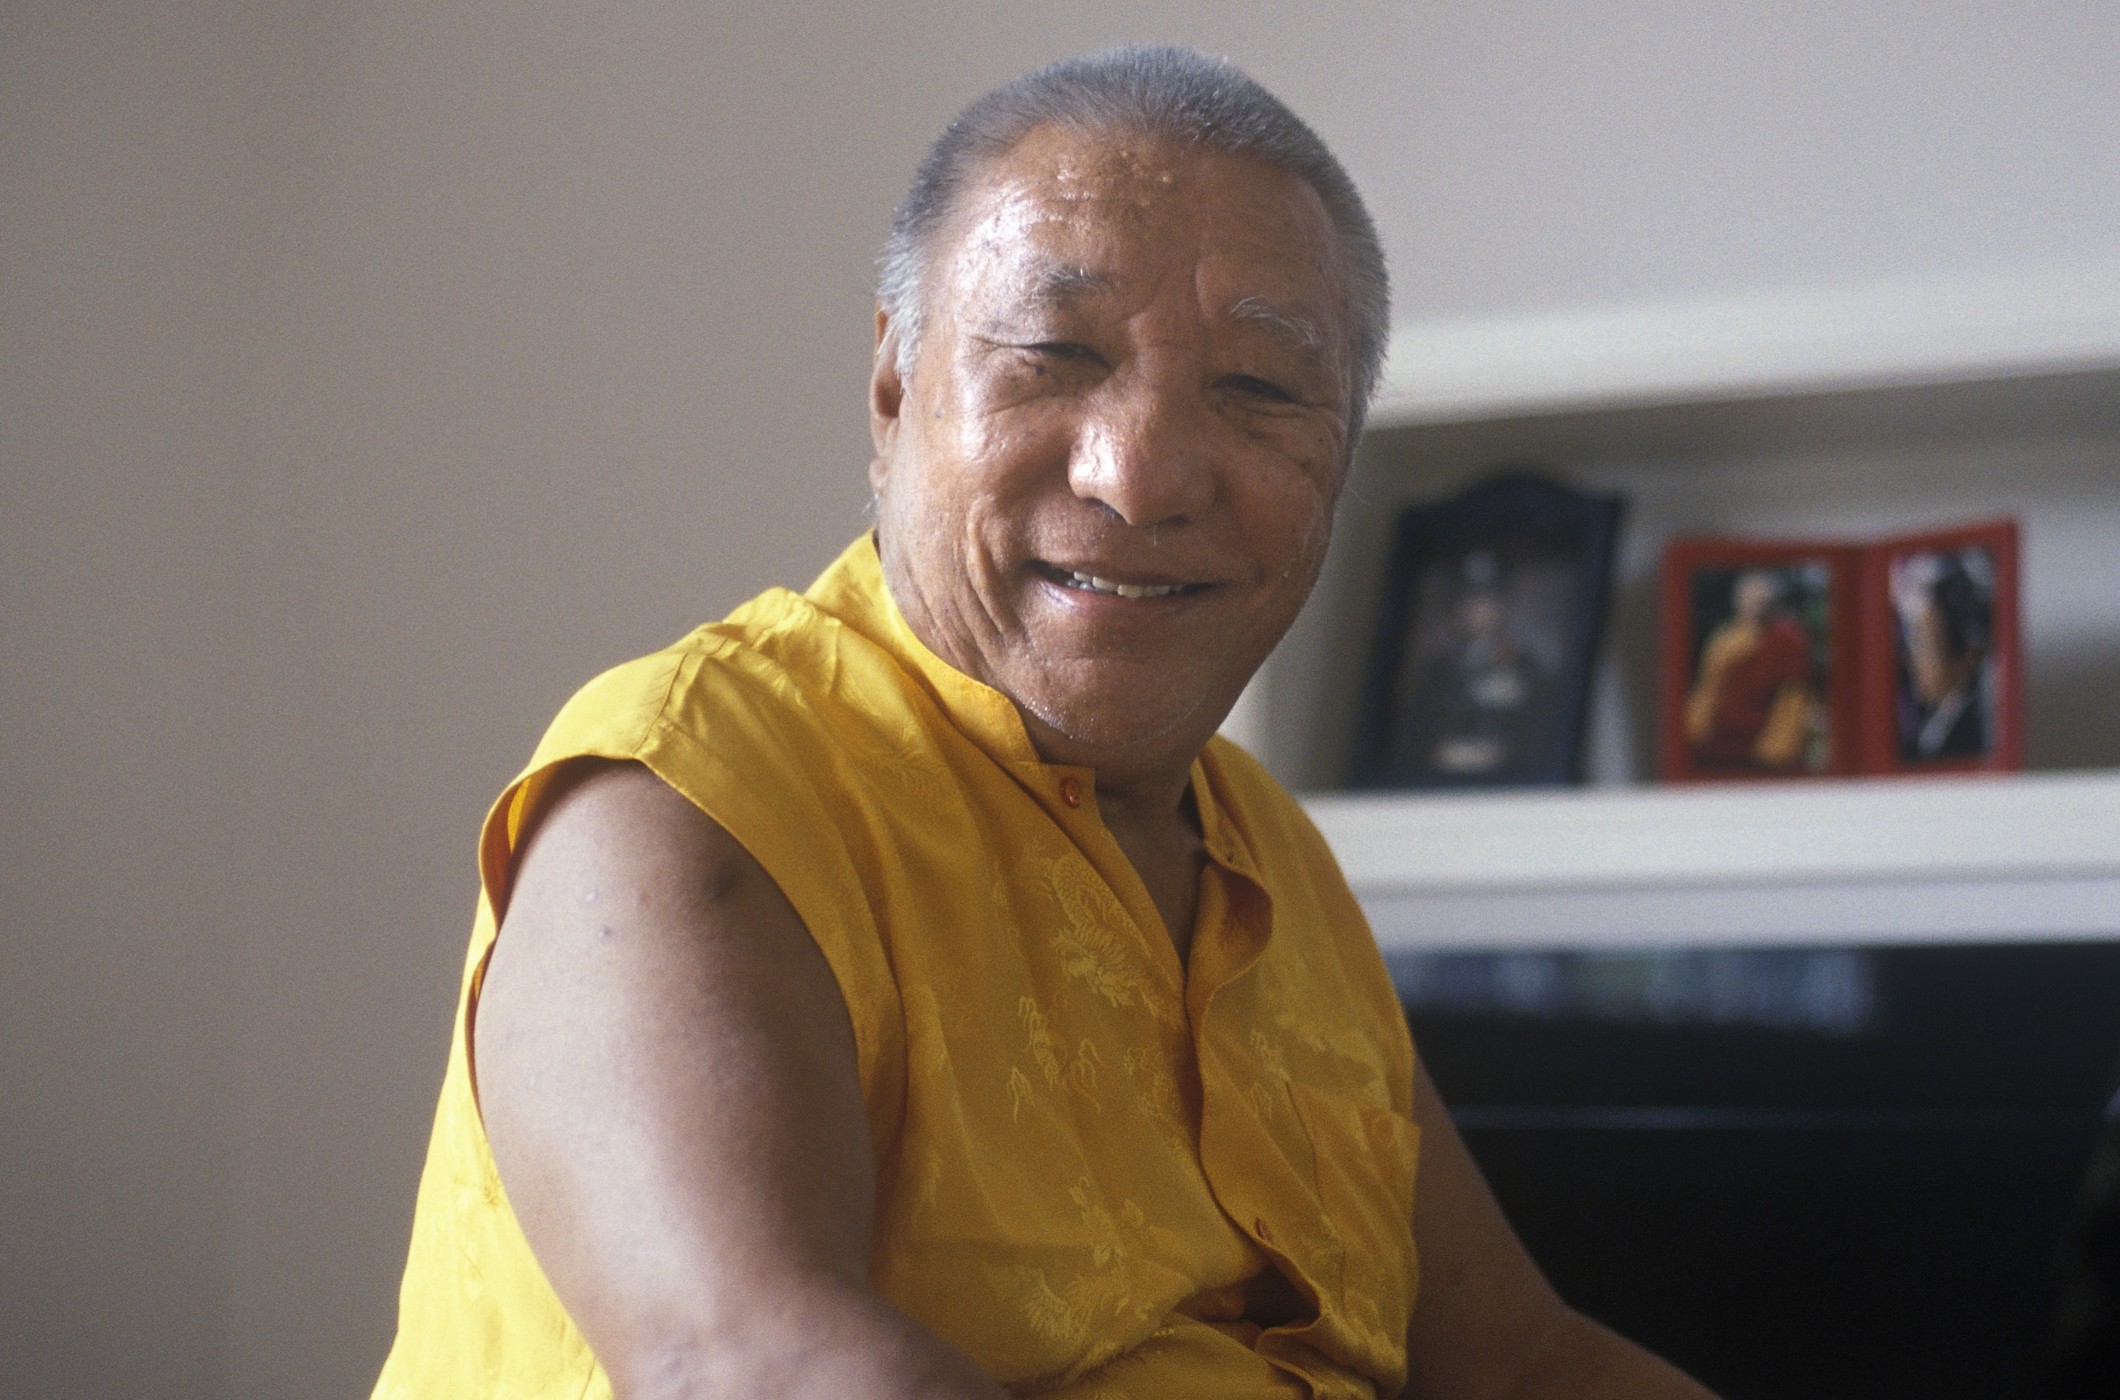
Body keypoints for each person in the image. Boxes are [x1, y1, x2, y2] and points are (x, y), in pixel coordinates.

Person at [372, 46, 1718, 1400]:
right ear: (893, 388)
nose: (1140, 476)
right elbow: (756, 1364)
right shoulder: (696, 786)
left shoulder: (1269, 855)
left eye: (1260, 389)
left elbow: (1520, 1363)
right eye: (1052, 356)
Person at [1683, 569, 1816, 771]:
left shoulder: (1787, 640)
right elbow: (1707, 688)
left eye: (1761, 599)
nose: (1755, 604)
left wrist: (1775, 749)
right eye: (1749, 598)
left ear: (1772, 602)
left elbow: (1792, 699)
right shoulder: (1723, 639)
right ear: (1737, 601)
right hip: (1716, 740)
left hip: (1761, 746)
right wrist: (1693, 730)